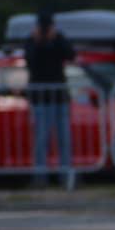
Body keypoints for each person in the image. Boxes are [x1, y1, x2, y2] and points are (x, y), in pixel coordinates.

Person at [24, 11, 75, 186]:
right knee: (41, 140)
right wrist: (38, 42)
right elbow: (30, 61)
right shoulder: (32, 41)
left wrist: (56, 40)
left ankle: (66, 176)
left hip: (59, 98)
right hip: (40, 99)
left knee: (64, 140)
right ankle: (40, 177)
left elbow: (71, 55)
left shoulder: (59, 39)